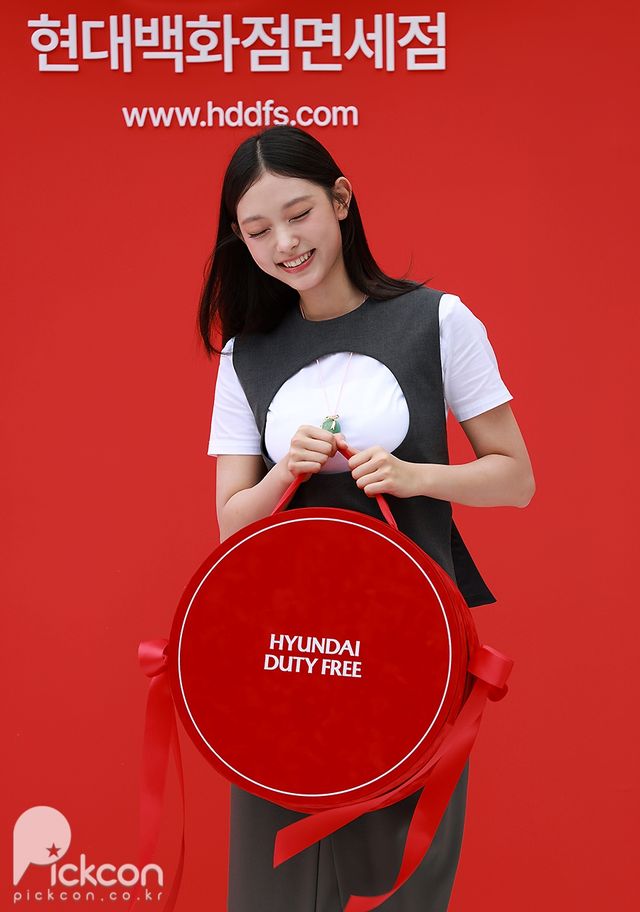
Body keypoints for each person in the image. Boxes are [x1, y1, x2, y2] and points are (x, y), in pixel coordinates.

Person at [198, 125, 535, 912]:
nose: (285, 243)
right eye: (258, 230)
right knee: (271, 885)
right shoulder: (244, 355)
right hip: (284, 652)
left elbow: (516, 478)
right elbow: (231, 528)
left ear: (341, 201)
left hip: (411, 646)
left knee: (400, 879)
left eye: (299, 214)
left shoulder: (438, 321)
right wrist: (285, 472)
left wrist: (416, 476)